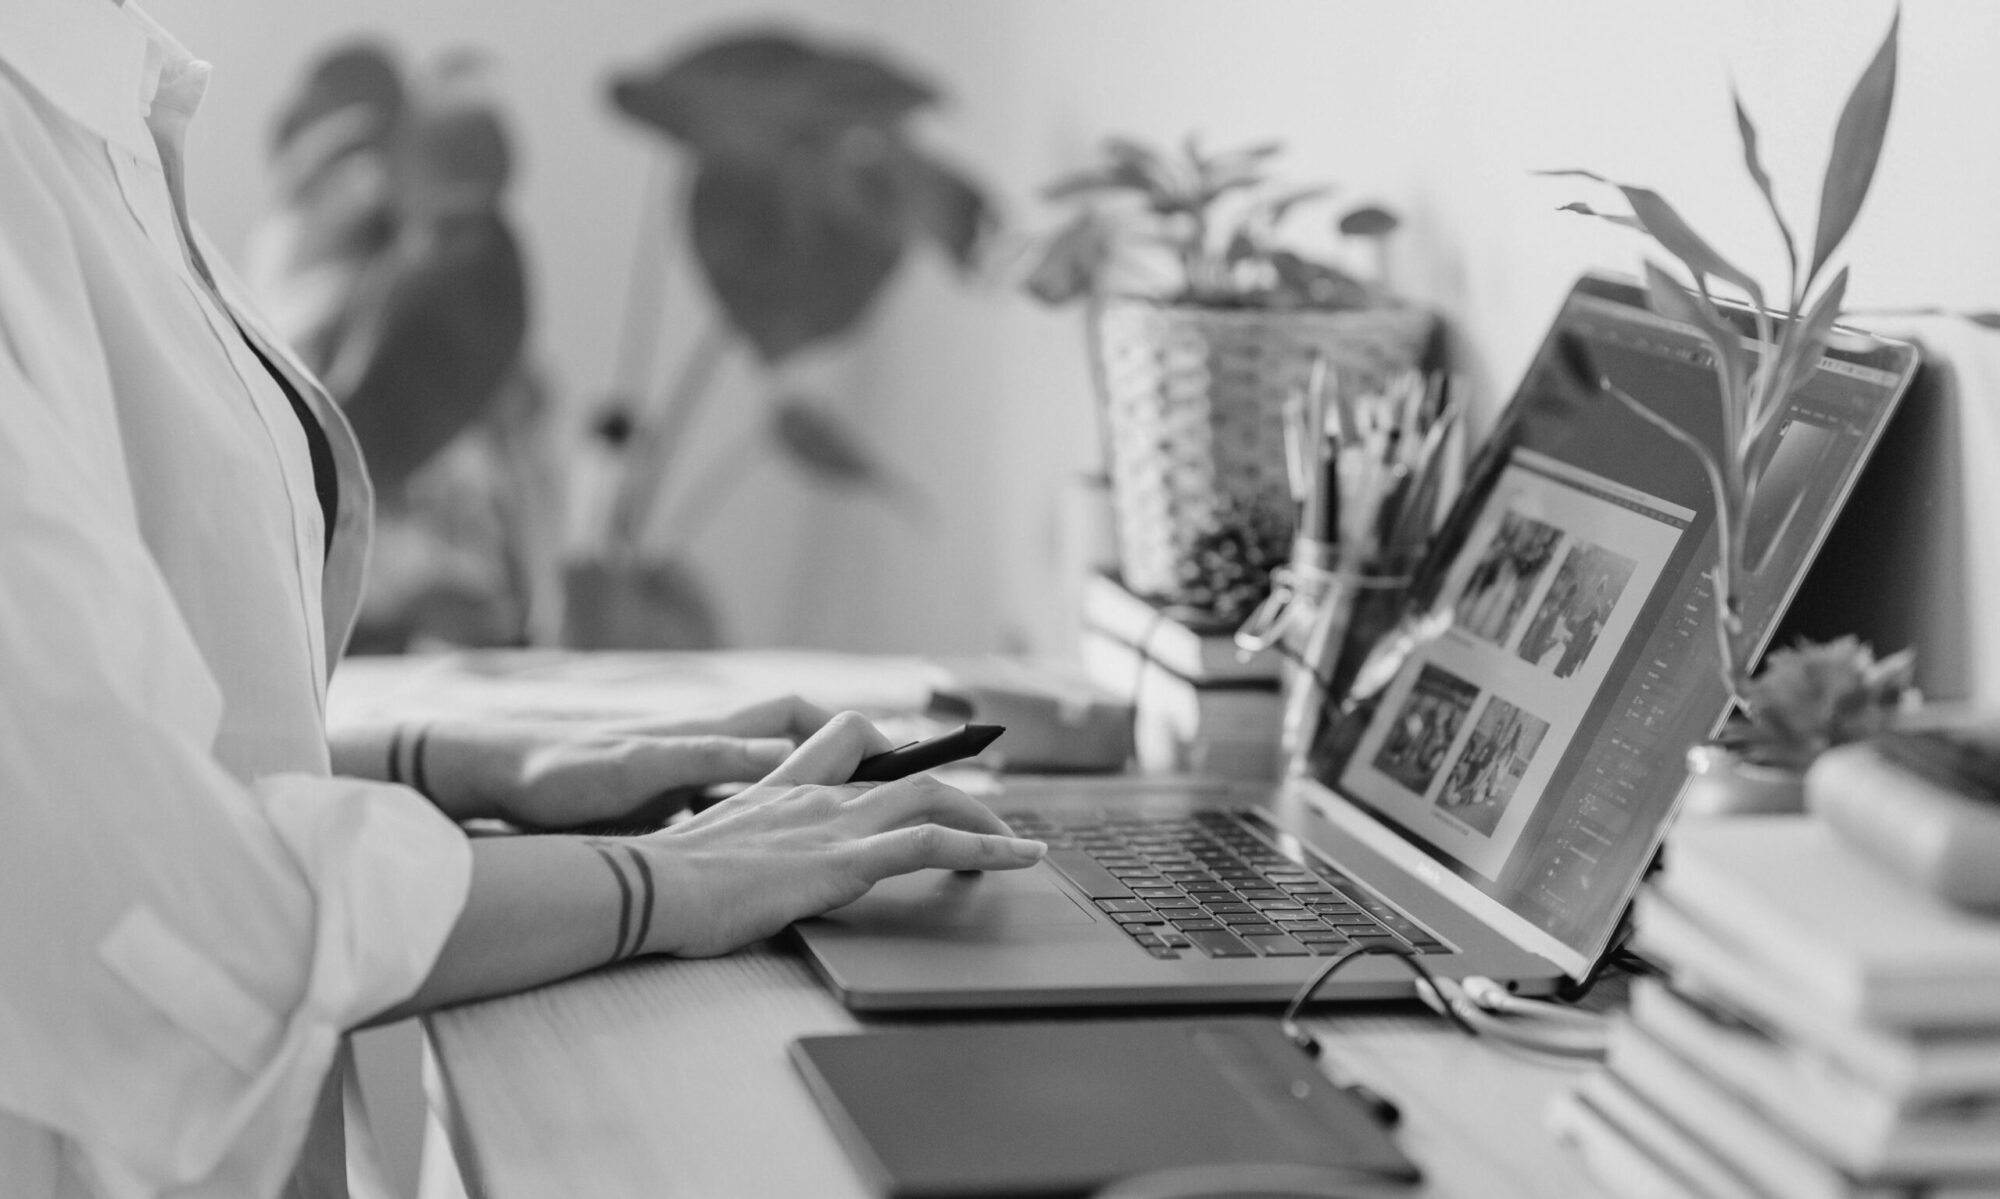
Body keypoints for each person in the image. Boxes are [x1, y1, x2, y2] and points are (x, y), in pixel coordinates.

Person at [0, 5, 1046, 1197]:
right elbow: (169, 917)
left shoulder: (92, 87)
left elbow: (75, 747)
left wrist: (442, 765)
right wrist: (676, 873)